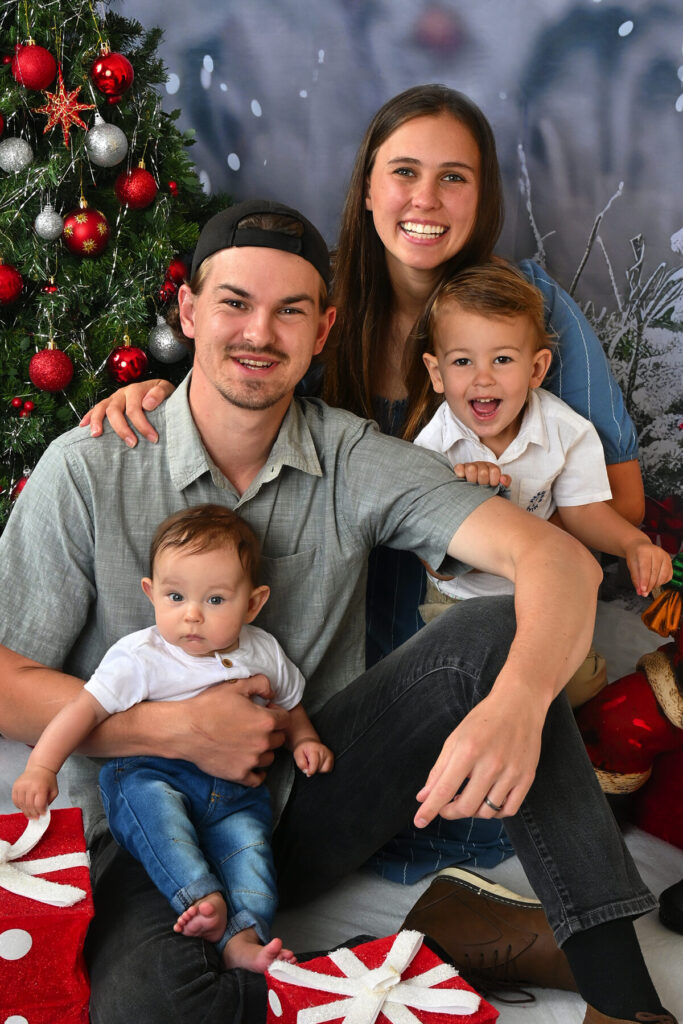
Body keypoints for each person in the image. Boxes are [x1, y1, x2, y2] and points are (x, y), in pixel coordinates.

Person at [0, 201, 673, 1024]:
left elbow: (558, 559)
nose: (259, 332)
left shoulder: (350, 456)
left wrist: (519, 701)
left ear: (322, 331)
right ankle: (423, 948)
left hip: (312, 800)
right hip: (151, 823)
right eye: (235, 303)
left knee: (494, 635)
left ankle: (623, 1001)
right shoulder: (90, 468)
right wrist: (167, 730)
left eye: (290, 311)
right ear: (188, 311)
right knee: (145, 1006)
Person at [82, 84, 644, 883]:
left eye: (455, 176)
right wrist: (153, 395)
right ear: (368, 187)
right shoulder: (312, 302)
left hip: (479, 613)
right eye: (404, 172)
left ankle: (596, 974)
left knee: (478, 706)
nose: (426, 199)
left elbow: (615, 514)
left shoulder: (526, 307)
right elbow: (238, 400)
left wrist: (487, 514)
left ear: (482, 197)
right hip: (336, 644)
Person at [12, 503, 333, 973]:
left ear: (254, 603)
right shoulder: (140, 656)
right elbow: (83, 710)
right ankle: (199, 894)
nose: (193, 617)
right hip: (155, 772)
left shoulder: (262, 649)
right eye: (176, 597)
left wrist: (303, 738)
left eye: (216, 600)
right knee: (147, 804)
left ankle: (244, 939)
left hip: (236, 795)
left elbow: (289, 702)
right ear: (151, 593)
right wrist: (42, 766)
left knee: (254, 860)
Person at [406, 261, 671, 623]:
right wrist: (464, 499)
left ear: (536, 369)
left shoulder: (566, 431)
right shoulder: (433, 446)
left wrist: (632, 543)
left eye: (502, 359)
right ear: (437, 374)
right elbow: (438, 568)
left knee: (577, 676)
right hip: (457, 603)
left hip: (547, 590)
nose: (483, 379)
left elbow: (582, 513)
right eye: (463, 361)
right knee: (462, 674)